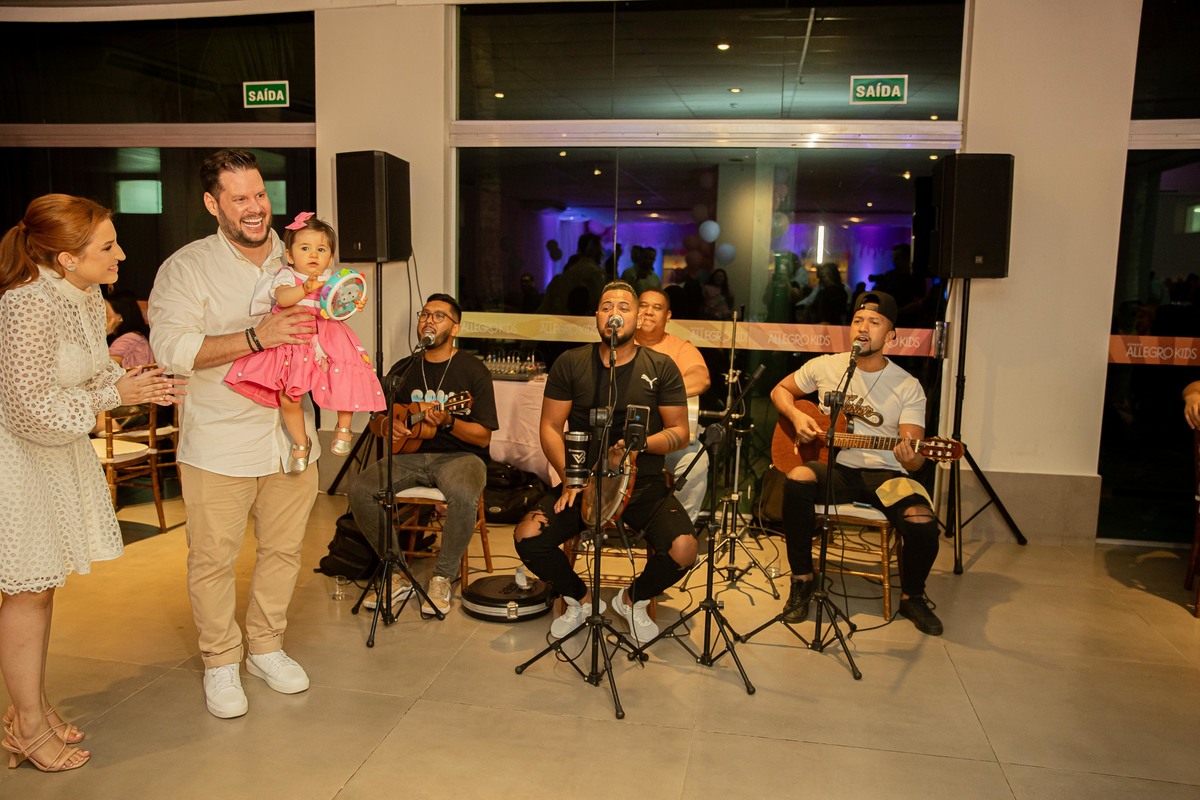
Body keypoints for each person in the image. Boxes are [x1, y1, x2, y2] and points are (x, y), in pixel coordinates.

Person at [0, 194, 181, 772]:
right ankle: (28, 727)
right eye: (108, 246)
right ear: (65, 258)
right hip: (20, 463)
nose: (121, 254)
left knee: (40, 589)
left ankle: (30, 709)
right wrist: (113, 395)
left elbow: (90, 370)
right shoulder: (26, 305)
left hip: (54, 459)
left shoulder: (82, 296)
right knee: (27, 591)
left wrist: (133, 378)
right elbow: (28, 409)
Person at [149, 149, 320, 719]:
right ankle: (221, 660)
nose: (254, 208)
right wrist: (256, 337)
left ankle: (266, 647)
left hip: (291, 438)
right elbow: (172, 350)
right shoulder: (186, 268)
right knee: (213, 559)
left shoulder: (297, 257)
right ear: (212, 203)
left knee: (284, 550)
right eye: (239, 198)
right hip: (218, 442)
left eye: (260, 194)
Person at [513, 281, 697, 644]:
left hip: (642, 484)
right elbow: (550, 427)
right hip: (583, 483)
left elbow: (680, 432)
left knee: (684, 549)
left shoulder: (661, 367)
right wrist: (570, 477)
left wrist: (641, 445)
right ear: (597, 316)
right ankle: (579, 599)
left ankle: (632, 600)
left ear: (638, 318)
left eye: (624, 307)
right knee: (528, 536)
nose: (615, 313)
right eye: (607, 306)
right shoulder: (571, 363)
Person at [769, 291, 943, 636]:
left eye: (874, 322)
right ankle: (802, 580)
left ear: (891, 336)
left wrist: (913, 456)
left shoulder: (907, 386)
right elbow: (780, 391)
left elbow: (912, 454)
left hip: (886, 474)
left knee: (921, 520)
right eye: (858, 320)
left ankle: (912, 597)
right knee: (798, 477)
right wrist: (797, 417)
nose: (863, 328)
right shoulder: (826, 366)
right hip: (836, 470)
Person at [348, 293, 497, 616]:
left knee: (463, 493)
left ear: (455, 328)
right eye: (425, 314)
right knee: (360, 489)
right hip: (409, 456)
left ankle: (442, 577)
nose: (429, 320)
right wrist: (388, 425)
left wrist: (448, 421)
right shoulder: (404, 369)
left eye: (439, 316)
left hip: (461, 457)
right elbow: (376, 419)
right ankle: (397, 572)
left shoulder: (474, 371)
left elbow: (483, 435)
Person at [224, 212, 384, 470]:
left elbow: (337, 310)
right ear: (290, 255)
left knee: (345, 378)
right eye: (305, 248)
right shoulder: (287, 276)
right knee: (290, 396)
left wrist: (353, 305)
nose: (313, 255)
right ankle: (301, 442)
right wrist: (305, 289)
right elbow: (283, 299)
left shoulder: (333, 279)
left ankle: (344, 428)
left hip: (328, 337)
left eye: (321, 249)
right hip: (295, 341)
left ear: (330, 258)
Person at [635, 288, 711, 522]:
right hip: (621, 439)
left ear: (667, 316)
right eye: (643, 305)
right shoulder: (620, 345)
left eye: (657, 308)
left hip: (669, 441)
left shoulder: (679, 347)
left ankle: (679, 529)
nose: (649, 312)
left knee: (696, 461)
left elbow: (701, 378)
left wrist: (658, 395)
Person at [104, 289, 154, 368]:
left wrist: (102, 335)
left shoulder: (130, 339)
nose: (100, 315)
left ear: (121, 315)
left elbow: (103, 366)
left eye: (105, 311)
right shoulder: (135, 336)